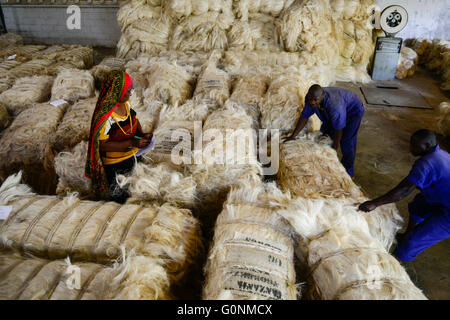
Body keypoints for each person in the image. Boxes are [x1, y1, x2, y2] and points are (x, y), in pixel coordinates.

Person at [359, 129, 450, 262]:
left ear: (427, 146)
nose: (410, 148)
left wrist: (374, 203)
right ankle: (408, 233)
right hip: (444, 198)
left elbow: (404, 191)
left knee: (414, 241)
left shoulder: (426, 163)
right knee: (417, 206)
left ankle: (395, 262)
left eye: (414, 145)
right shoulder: (441, 154)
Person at [85, 70, 152, 203]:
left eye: (131, 89)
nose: (130, 93)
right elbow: (102, 145)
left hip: (133, 155)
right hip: (116, 164)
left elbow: (134, 118)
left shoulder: (126, 104)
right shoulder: (105, 115)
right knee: (121, 197)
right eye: (127, 90)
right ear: (117, 91)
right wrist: (131, 142)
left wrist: (141, 134)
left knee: (136, 191)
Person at [284, 85, 365, 177]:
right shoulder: (311, 99)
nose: (312, 102)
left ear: (322, 96)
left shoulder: (335, 106)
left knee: (347, 140)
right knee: (325, 133)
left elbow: (338, 129)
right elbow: (304, 116)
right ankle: (326, 162)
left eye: (315, 100)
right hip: (335, 108)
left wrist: (335, 146)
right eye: (310, 99)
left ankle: (348, 172)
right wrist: (293, 136)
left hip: (353, 111)